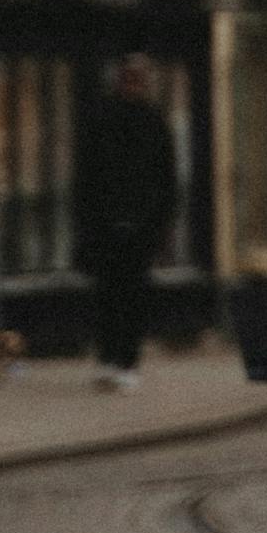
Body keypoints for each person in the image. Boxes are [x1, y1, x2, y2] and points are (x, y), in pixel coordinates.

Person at [77, 58, 181, 395]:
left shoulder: (153, 124)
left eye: (137, 80)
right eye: (129, 79)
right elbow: (87, 176)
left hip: (139, 226)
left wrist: (161, 223)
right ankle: (110, 359)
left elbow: (167, 180)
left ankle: (126, 361)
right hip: (109, 225)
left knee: (131, 295)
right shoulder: (105, 121)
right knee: (108, 294)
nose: (132, 86)